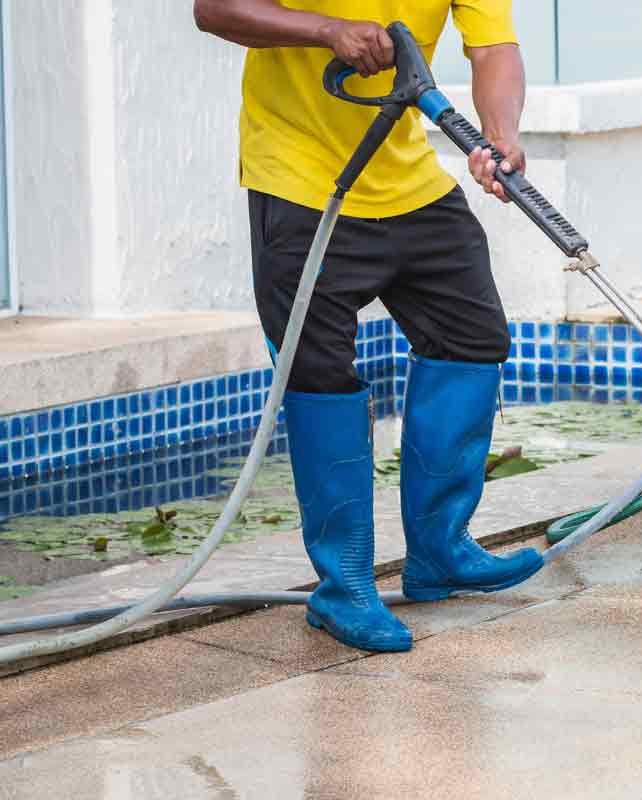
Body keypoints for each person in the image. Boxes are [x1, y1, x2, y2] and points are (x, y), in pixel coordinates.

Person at [194, 0, 542, 653]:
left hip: (408, 178)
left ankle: (440, 552)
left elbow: (493, 46)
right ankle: (343, 586)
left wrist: (500, 135)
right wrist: (327, 31)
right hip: (301, 180)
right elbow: (215, 9)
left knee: (472, 338)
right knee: (319, 373)